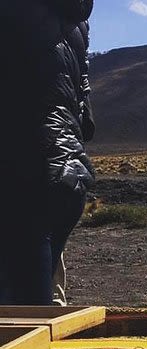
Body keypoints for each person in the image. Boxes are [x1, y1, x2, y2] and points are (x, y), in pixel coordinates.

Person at [0, 0, 95, 305]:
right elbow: (86, 118)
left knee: (25, 317)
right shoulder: (75, 23)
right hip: (69, 172)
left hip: (23, 175)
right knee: (29, 300)